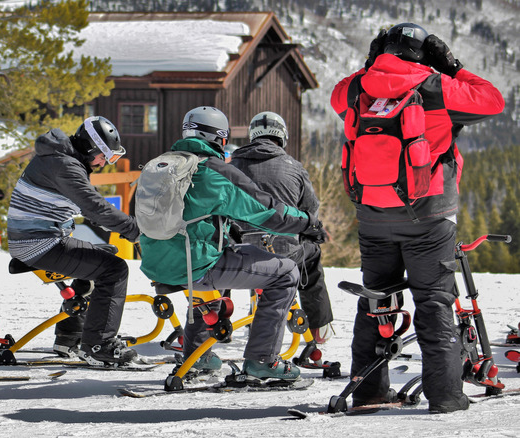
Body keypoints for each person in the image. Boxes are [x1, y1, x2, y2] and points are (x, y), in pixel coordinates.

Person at [331, 23, 505, 413]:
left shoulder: (357, 87)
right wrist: (453, 65)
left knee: (376, 301)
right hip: (429, 215)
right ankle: (445, 396)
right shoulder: (435, 86)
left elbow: (335, 95)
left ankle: (370, 391)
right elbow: (493, 100)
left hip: (372, 216)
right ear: (423, 54)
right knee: (434, 303)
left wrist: (371, 63)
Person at [139, 106, 325, 380]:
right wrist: (308, 222)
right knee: (285, 272)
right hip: (196, 266)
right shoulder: (213, 171)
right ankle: (263, 360)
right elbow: (268, 212)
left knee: (225, 254)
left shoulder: (163, 164)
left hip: (157, 264)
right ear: (220, 138)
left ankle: (198, 354)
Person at [6, 116, 141, 365]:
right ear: (91, 148)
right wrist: (135, 230)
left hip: (34, 239)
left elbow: (90, 207)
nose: (104, 163)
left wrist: (118, 225)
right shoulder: (65, 165)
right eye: (105, 156)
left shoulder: (60, 159)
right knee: (115, 269)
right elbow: (94, 207)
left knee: (103, 255)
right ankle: (99, 346)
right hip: (39, 243)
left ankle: (70, 337)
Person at [230, 111, 334, 344]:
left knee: (228, 248)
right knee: (311, 257)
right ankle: (318, 329)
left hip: (239, 250)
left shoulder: (232, 165)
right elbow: (310, 212)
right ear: (282, 137)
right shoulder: (294, 167)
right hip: (283, 248)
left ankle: (218, 321)